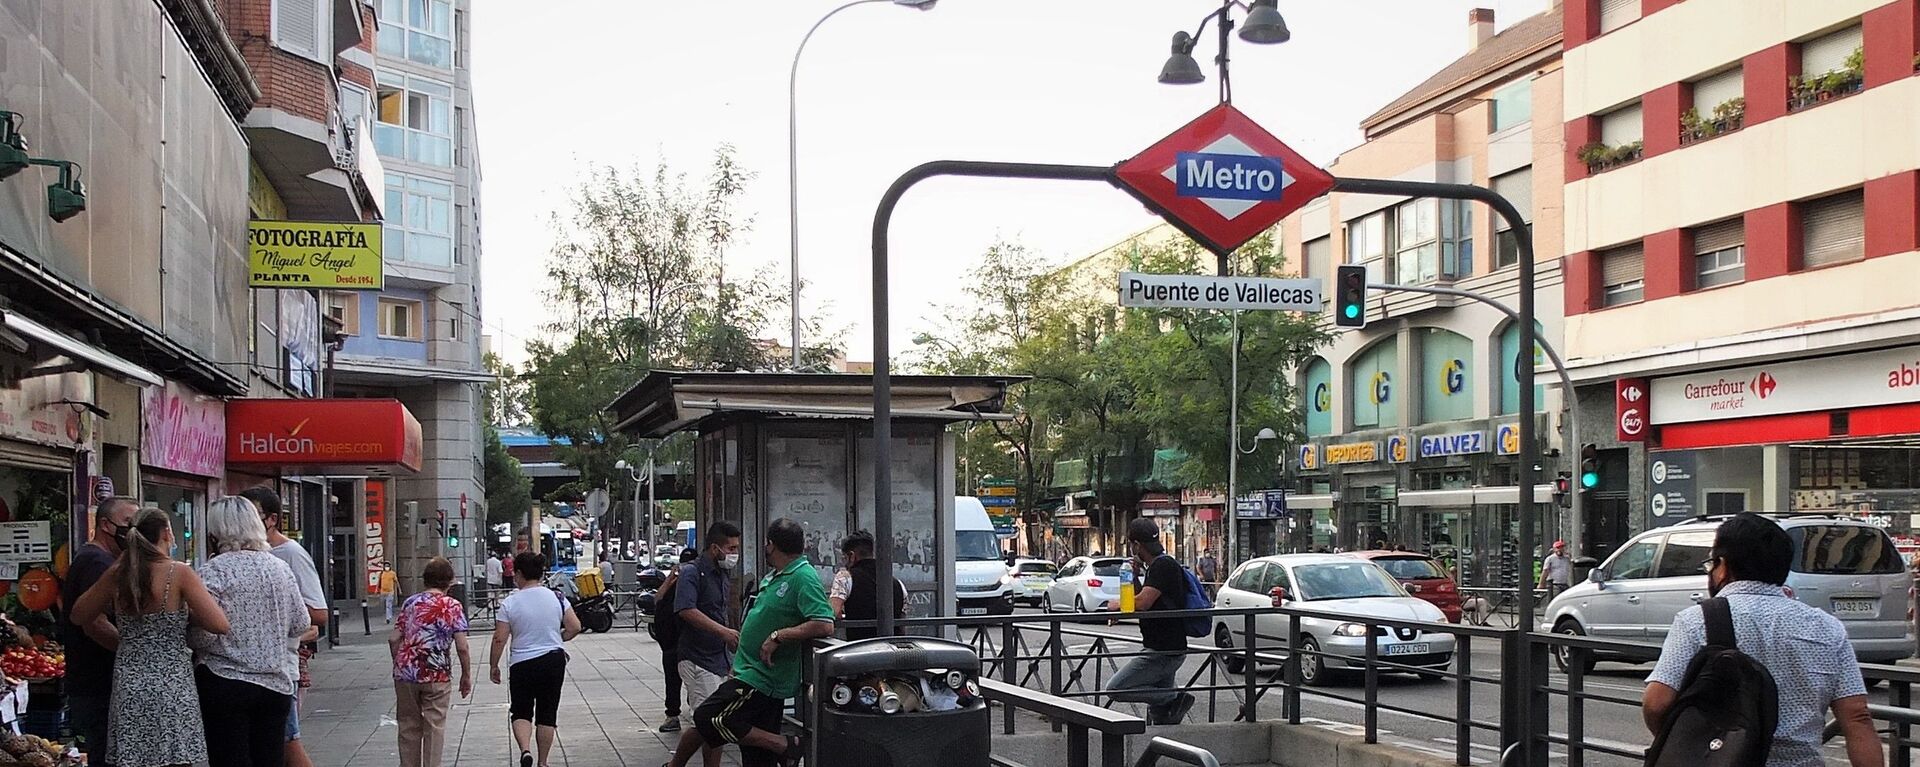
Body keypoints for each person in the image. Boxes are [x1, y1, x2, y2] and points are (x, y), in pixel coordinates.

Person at [1643, 513, 1883, 767]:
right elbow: (1857, 718)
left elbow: (1656, 703)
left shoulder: (1696, 621)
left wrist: (1687, 745)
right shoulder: (1827, 628)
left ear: (1722, 565)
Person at [666, 519, 834, 767]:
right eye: (730, 548)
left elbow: (824, 622)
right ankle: (777, 748)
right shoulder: (775, 575)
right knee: (756, 756)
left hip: (763, 677)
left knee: (709, 717)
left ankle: (783, 745)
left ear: (772, 546)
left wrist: (780, 636)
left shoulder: (802, 577)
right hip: (748, 669)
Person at [73, 507, 230, 767]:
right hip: (172, 682)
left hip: (129, 681)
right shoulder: (178, 573)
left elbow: (79, 615)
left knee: (133, 759)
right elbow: (219, 624)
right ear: (166, 533)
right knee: (174, 758)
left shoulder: (119, 573)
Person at [189, 497, 315, 767]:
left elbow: (205, 634)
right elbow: (300, 622)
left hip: (226, 680)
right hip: (275, 685)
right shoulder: (279, 568)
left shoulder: (212, 572)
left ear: (216, 531)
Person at [239, 486, 330, 767]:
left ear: (272, 519)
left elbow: (319, 613)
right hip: (254, 666)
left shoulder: (290, 554)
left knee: (288, 742)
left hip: (282, 664)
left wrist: (285, 625)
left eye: (254, 515)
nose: (246, 524)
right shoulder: (241, 556)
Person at [61, 496, 137, 767]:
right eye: (128, 523)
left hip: (93, 682)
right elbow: (93, 621)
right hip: (98, 683)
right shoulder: (98, 564)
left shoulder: (93, 558)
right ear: (106, 524)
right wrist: (132, 651)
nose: (133, 532)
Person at [491, 551, 582, 767]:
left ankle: (525, 751)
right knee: (547, 711)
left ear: (520, 574)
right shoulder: (557, 597)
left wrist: (493, 665)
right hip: (553, 660)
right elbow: (575, 627)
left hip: (522, 662)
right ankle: (543, 761)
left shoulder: (510, 603)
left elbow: (499, 639)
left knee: (521, 710)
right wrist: (557, 638)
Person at [1103, 518, 1195, 726]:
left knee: (1115, 689)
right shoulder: (1155, 567)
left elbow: (1143, 603)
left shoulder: (1163, 565)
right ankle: (1165, 743)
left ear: (1136, 545)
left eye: (1131, 544)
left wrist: (1115, 605)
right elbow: (1139, 600)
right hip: (1162, 646)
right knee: (1162, 716)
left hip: (1164, 650)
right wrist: (1134, 576)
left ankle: (1173, 696)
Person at [668, 523, 744, 767]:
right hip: (696, 657)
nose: (734, 554)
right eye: (731, 548)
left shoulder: (722, 573)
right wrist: (723, 632)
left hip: (719, 658)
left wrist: (730, 641)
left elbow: (722, 611)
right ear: (715, 548)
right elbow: (686, 609)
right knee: (708, 721)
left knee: (712, 721)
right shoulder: (692, 572)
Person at [391, 557, 472, 767]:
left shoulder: (410, 603)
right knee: (434, 726)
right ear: (449, 581)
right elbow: (462, 646)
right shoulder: (452, 605)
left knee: (408, 725)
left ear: (425, 580)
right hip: (437, 673)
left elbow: (394, 638)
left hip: (406, 673)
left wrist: (399, 663)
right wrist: (466, 675)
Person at [651, 548, 700, 734]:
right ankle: (672, 715)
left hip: (690, 642)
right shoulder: (672, 583)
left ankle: (696, 711)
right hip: (671, 642)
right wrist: (670, 579)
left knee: (694, 680)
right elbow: (657, 598)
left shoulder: (697, 584)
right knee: (672, 679)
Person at [829, 530, 908, 641]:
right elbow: (902, 625)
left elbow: (831, 613)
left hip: (860, 651)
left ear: (852, 556)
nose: (844, 563)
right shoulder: (898, 583)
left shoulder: (845, 577)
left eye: (844, 558)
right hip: (890, 652)